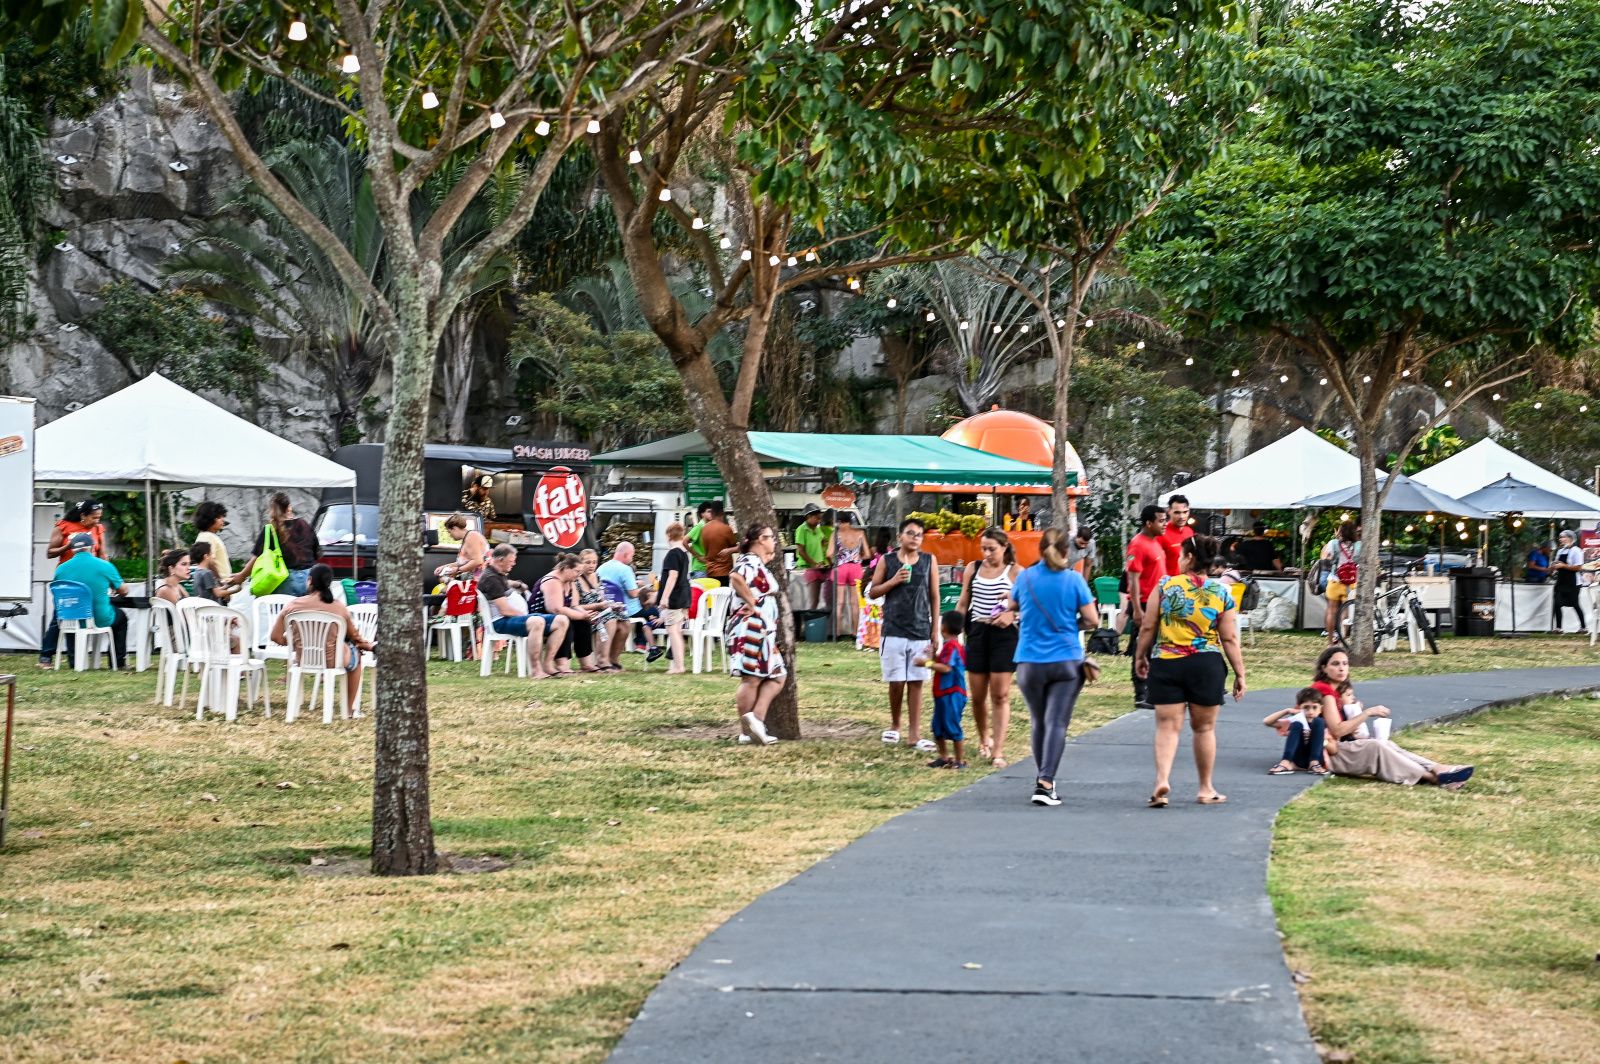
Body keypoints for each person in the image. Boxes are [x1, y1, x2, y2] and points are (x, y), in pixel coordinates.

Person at [1134, 534, 1247, 809]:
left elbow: (1148, 626)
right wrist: (1239, 673)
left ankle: (1161, 781)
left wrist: (1140, 656)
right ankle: (1205, 788)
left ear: (1189, 558)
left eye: (1182, 555)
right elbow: (1229, 638)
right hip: (1205, 665)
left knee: (1167, 727)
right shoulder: (1221, 593)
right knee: (1204, 728)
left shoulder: (1165, 586)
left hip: (1167, 661)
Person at [1009, 527, 1099, 807]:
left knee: (1038, 722)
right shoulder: (1073, 581)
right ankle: (1045, 782)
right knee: (1057, 722)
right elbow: (1093, 620)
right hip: (1065, 660)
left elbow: (1012, 605)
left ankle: (1043, 778)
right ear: (1066, 551)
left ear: (1040, 550)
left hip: (1029, 660)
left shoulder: (1025, 577)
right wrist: (1072, 624)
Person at [1309, 647, 1474, 788]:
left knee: (1385, 743)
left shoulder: (1336, 692)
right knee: (1375, 746)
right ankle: (1434, 778)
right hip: (1326, 754)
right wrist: (1366, 713)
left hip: (1336, 748)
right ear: (1324, 668)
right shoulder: (1325, 692)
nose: (1341, 668)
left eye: (1345, 664)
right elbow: (1337, 730)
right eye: (1335, 664)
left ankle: (1438, 768)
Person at [869, 517, 941, 752]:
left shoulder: (929, 561)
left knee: (918, 681)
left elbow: (934, 596)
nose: (915, 538)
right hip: (893, 629)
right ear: (900, 536)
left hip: (921, 629)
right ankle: (895, 724)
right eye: (910, 533)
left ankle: (914, 733)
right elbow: (873, 592)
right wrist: (894, 580)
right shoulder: (887, 561)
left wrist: (935, 630)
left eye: (919, 534)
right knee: (896, 680)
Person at [270, 564, 375, 718]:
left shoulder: (292, 606)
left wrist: (296, 640)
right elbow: (354, 636)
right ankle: (349, 710)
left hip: (303, 658)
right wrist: (362, 643)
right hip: (333, 660)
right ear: (329, 583)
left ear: (310, 581)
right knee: (357, 655)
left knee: (352, 646)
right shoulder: (338, 607)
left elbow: (275, 637)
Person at [956, 527, 1022, 768]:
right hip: (978, 631)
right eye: (983, 548)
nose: (986, 553)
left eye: (991, 549)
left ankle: (998, 751)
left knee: (1000, 694)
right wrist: (954, 631)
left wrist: (1012, 613)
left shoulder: (1015, 572)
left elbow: (1028, 604)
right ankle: (984, 738)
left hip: (1004, 635)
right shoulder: (972, 569)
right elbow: (964, 601)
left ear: (1004, 547)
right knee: (977, 695)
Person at [727, 524, 785, 744]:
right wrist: (751, 602)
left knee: (778, 675)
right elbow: (735, 577)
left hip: (762, 627)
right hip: (751, 626)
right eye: (771, 537)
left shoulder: (757, 562)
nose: (774, 541)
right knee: (752, 678)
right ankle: (745, 731)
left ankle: (756, 721)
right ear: (760, 539)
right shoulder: (748, 561)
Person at [42, 532, 129, 668]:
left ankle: (74, 661)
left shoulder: (61, 568)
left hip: (69, 618)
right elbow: (124, 591)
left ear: (71, 549)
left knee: (75, 614)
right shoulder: (105, 565)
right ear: (93, 547)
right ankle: (117, 662)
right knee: (121, 617)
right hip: (99, 618)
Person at [478, 543, 561, 679]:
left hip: (512, 618)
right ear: (500, 560)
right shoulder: (491, 578)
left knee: (561, 621)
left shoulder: (498, 573)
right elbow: (505, 610)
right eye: (511, 561)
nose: (514, 563)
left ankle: (548, 665)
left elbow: (505, 584)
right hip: (500, 621)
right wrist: (525, 616)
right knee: (537, 622)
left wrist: (517, 584)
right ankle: (536, 670)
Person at [1124, 504, 1168, 709]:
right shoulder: (1138, 544)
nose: (1165, 524)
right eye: (1161, 520)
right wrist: (1137, 610)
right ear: (1149, 523)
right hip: (1143, 603)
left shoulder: (1155, 542)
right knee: (1141, 646)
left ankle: (1153, 688)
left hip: (1158, 602)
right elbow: (1133, 579)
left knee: (1155, 647)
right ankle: (1140, 693)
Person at [238, 492, 321, 596]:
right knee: (303, 612)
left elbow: (256, 559)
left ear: (270, 510)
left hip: (285, 582)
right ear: (289, 508)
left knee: (280, 609)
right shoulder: (304, 525)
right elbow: (317, 553)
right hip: (309, 580)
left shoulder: (270, 530)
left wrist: (241, 576)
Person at [598, 541, 661, 666]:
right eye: (632, 556)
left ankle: (641, 643)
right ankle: (650, 646)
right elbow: (632, 594)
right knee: (654, 611)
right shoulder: (625, 569)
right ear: (626, 555)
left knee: (646, 613)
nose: (632, 559)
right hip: (628, 609)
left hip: (608, 606)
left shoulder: (601, 567)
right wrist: (644, 588)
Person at [536, 554, 602, 673]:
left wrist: (586, 616)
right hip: (539, 618)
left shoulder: (571, 581)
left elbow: (574, 605)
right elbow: (556, 609)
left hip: (559, 616)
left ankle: (586, 663)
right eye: (577, 571)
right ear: (566, 568)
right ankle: (562, 664)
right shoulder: (552, 581)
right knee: (566, 622)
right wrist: (582, 615)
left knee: (583, 623)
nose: (579, 574)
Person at [923, 610, 969, 769]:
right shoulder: (949, 647)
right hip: (943, 694)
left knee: (952, 725)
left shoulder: (953, 647)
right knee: (937, 726)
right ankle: (943, 756)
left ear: (943, 628)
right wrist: (933, 655)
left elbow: (946, 668)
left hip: (952, 694)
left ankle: (959, 760)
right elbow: (941, 662)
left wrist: (926, 664)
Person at [1264, 687, 1330, 775]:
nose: (1310, 712)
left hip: (1317, 758)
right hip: (1298, 759)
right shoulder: (1296, 720)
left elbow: (1334, 749)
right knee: (1297, 724)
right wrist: (1287, 711)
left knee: (1319, 721)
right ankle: (1286, 762)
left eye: (1314, 707)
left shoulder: (1323, 725)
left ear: (1321, 709)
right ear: (1299, 707)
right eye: (1306, 707)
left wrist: (1323, 741)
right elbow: (1267, 721)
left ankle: (1314, 763)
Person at [577, 549, 623, 671]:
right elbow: (575, 606)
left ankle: (613, 659)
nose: (591, 565)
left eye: (594, 562)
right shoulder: (576, 580)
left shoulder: (596, 576)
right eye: (588, 562)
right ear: (580, 563)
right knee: (610, 620)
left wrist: (611, 605)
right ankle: (602, 660)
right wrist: (599, 606)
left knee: (625, 622)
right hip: (586, 613)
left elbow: (602, 598)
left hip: (601, 610)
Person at [656, 522, 692, 674]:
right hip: (684, 595)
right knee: (678, 631)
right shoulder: (684, 553)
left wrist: (664, 598)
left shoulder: (672, 553)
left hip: (675, 597)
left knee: (673, 631)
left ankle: (678, 666)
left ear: (668, 535)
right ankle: (679, 664)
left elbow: (672, 576)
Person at [830, 511, 871, 641]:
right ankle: (855, 633)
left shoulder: (836, 534)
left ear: (841, 521)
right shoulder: (860, 533)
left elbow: (829, 553)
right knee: (855, 603)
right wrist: (858, 558)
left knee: (839, 603)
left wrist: (835, 561)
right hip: (856, 568)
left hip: (840, 567)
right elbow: (868, 554)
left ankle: (836, 633)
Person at [1320, 520, 1361, 643]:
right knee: (1345, 611)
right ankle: (1342, 638)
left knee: (1331, 610)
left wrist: (1336, 539)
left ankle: (1330, 640)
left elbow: (1325, 557)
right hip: (1351, 582)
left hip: (1335, 580)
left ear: (1340, 531)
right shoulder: (1359, 545)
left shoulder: (1333, 543)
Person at [794, 504, 833, 610]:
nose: (819, 521)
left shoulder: (818, 529)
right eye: (817, 518)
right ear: (808, 517)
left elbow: (822, 544)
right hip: (808, 568)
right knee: (813, 602)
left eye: (820, 518)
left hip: (820, 567)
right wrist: (814, 563)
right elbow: (801, 551)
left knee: (825, 600)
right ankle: (809, 623)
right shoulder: (801, 529)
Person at [1551, 529, 1589, 632]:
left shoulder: (1577, 551)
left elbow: (1578, 568)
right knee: (1557, 603)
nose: (1561, 539)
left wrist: (1563, 565)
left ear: (1570, 538)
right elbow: (1557, 564)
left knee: (1575, 604)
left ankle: (1583, 627)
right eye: (1560, 537)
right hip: (1561, 581)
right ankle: (1559, 628)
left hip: (1573, 582)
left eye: (1563, 537)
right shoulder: (1560, 551)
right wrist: (1555, 566)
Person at [46, 498, 106, 564]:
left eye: (99, 518)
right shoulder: (64, 526)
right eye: (94, 518)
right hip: (69, 572)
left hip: (90, 573)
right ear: (83, 516)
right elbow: (50, 554)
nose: (96, 521)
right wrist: (67, 547)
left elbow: (102, 555)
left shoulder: (98, 528)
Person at [190, 501, 235, 585]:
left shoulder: (209, 536)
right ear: (209, 519)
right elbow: (209, 561)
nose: (222, 520)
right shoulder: (207, 537)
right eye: (218, 517)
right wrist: (220, 581)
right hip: (217, 585)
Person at [434, 513, 489, 582]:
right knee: (442, 579)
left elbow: (478, 561)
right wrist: (444, 567)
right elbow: (462, 563)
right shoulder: (466, 538)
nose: (450, 535)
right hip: (470, 577)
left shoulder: (472, 536)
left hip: (479, 579)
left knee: (445, 584)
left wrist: (458, 570)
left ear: (454, 528)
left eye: (449, 532)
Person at [700, 501, 737, 587]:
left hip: (710, 571)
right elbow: (734, 547)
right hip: (724, 571)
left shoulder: (704, 529)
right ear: (722, 512)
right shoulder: (726, 529)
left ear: (712, 513)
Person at [1158, 494, 1194, 576]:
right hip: (1167, 585)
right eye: (1177, 512)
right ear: (1169, 511)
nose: (1182, 516)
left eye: (1185, 512)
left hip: (1187, 584)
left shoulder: (1189, 532)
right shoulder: (1160, 534)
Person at [685, 501, 715, 577]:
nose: (711, 513)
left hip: (710, 568)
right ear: (702, 514)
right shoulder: (699, 526)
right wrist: (698, 556)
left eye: (712, 511)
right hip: (700, 570)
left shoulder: (710, 527)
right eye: (708, 511)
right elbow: (685, 541)